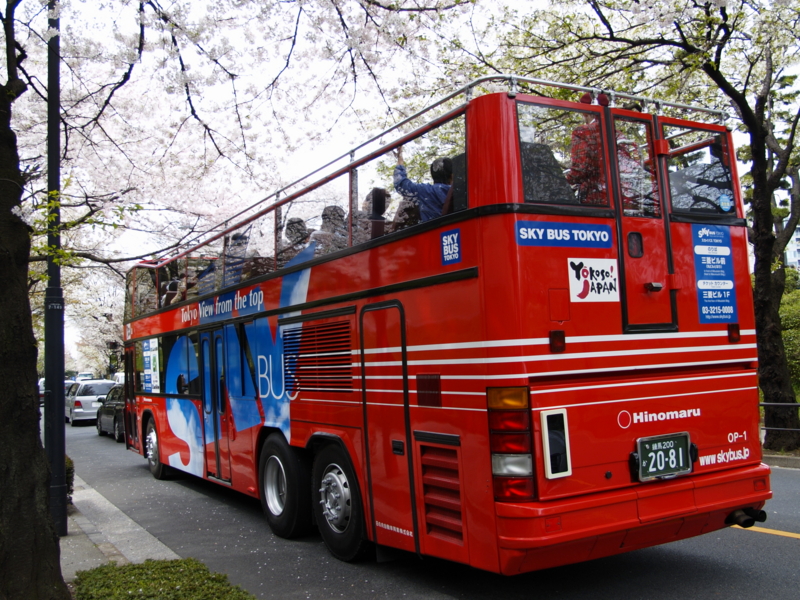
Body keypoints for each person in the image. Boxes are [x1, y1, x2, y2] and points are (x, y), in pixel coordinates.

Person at [393, 146, 452, 223]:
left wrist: (400, 160)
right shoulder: (462, 190)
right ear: (452, 174)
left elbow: (401, 183)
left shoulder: (426, 191)